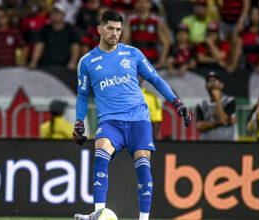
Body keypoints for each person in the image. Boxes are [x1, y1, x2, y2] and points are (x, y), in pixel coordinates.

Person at [72, 10, 190, 220]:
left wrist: (176, 102)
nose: (114, 33)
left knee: (143, 164)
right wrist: (79, 122)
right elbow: (82, 96)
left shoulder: (133, 54)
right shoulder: (87, 61)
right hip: (110, 122)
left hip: (139, 120)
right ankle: (98, 214)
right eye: (110, 28)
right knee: (100, 152)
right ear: (100, 29)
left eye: (118, 29)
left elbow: (155, 79)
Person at [28, 2, 80, 70]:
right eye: (53, 13)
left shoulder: (71, 29)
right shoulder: (45, 29)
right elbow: (39, 45)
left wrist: (73, 62)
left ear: (63, 15)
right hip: (46, 65)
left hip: (65, 66)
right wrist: (34, 61)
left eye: (57, 13)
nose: (55, 15)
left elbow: (75, 47)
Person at [121, 0, 171, 69]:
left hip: (152, 60)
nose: (143, 4)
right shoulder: (130, 20)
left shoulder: (157, 21)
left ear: (151, 5)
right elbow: (124, 40)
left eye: (146, 2)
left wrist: (161, 62)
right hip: (135, 59)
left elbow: (166, 42)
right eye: (140, 2)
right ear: (136, 4)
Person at [227, 6, 259, 73]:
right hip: (246, 68)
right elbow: (237, 51)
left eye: (257, 14)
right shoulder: (244, 32)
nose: (255, 17)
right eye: (253, 14)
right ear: (249, 16)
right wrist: (233, 66)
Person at [196, 71, 236, 141]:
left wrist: (217, 100)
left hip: (226, 143)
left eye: (215, 82)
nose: (212, 85)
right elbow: (199, 126)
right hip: (206, 145)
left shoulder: (229, 101)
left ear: (221, 85)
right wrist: (217, 123)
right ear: (206, 86)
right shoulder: (201, 105)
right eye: (209, 82)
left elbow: (224, 120)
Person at [139, 76, 162, 140]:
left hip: (142, 140)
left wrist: (152, 141)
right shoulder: (118, 95)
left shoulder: (152, 98)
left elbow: (156, 120)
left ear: (142, 78)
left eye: (138, 75)